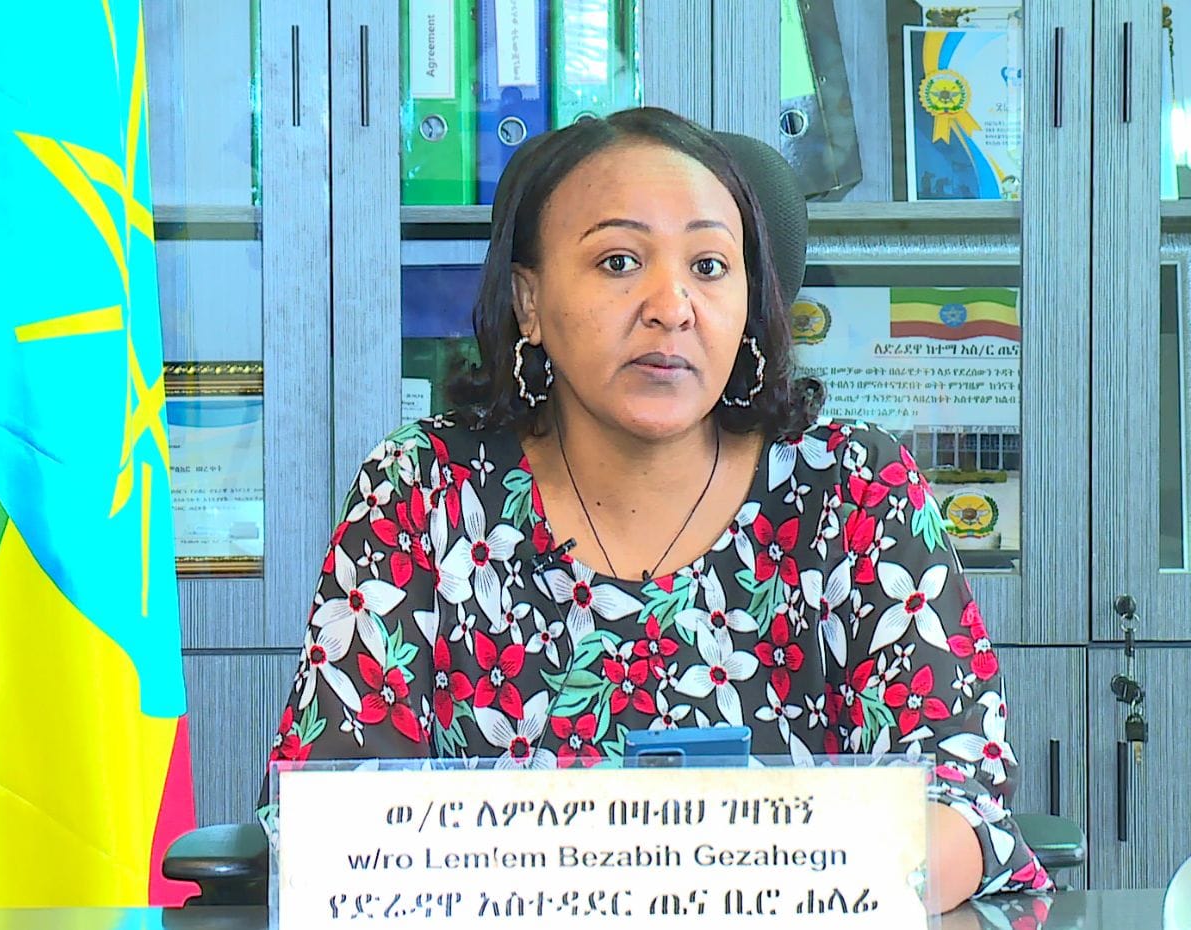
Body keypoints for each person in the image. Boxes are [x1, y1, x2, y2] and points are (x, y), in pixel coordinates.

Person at [261, 107, 1048, 913]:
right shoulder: (425, 489)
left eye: (709, 266)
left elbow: (958, 803)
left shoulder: (849, 489)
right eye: (619, 261)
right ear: (529, 301)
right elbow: (334, 821)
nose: (672, 305)